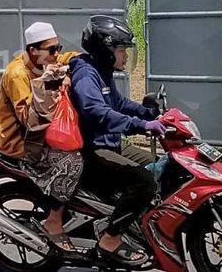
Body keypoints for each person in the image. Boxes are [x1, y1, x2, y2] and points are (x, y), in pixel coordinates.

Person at [68, 15, 166, 267]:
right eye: (121, 50)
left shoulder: (103, 72)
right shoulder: (85, 76)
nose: (124, 56)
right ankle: (110, 238)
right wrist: (141, 126)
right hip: (92, 148)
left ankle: (140, 223)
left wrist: (150, 113)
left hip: (110, 142)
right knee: (143, 180)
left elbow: (119, 104)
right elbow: (98, 112)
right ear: (105, 50)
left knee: (161, 165)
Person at [0, 22, 82, 253]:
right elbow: (27, 118)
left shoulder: (47, 60)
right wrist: (51, 85)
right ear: (34, 51)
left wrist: (78, 64)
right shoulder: (17, 74)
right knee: (72, 162)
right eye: (52, 50)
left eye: (58, 48)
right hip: (21, 143)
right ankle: (53, 220)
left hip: (41, 136)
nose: (57, 54)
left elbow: (71, 57)